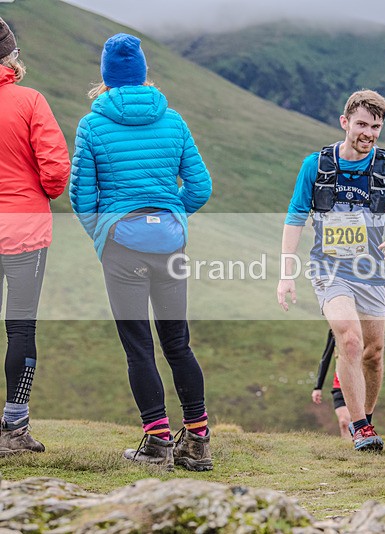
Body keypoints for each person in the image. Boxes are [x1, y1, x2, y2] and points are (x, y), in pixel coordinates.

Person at [70, 33, 213, 470]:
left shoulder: (92, 125)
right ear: (144, 73)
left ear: (106, 76)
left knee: (139, 348)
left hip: (122, 245)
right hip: (169, 243)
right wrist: (173, 217)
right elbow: (201, 187)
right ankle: (198, 444)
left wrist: (106, 233)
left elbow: (81, 196)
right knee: (178, 344)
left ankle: (156, 444)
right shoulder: (173, 121)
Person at [277, 89, 385, 451]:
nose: (368, 133)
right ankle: (360, 428)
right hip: (329, 268)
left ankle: (365, 419)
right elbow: (295, 218)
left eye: (375, 126)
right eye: (361, 124)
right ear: (345, 122)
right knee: (350, 339)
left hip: (371, 272)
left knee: (373, 352)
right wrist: (286, 273)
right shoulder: (317, 165)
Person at [0, 17, 70, 455]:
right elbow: (56, 170)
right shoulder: (30, 101)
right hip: (24, 230)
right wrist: (37, 189)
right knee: (21, 328)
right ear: (12, 56)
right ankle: (14, 427)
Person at [311, 329, 352, 439]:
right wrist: (318, 387)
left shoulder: (364, 327)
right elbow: (326, 358)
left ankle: (361, 448)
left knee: (358, 423)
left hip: (360, 386)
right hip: (339, 384)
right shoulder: (335, 330)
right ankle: (348, 451)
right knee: (344, 422)